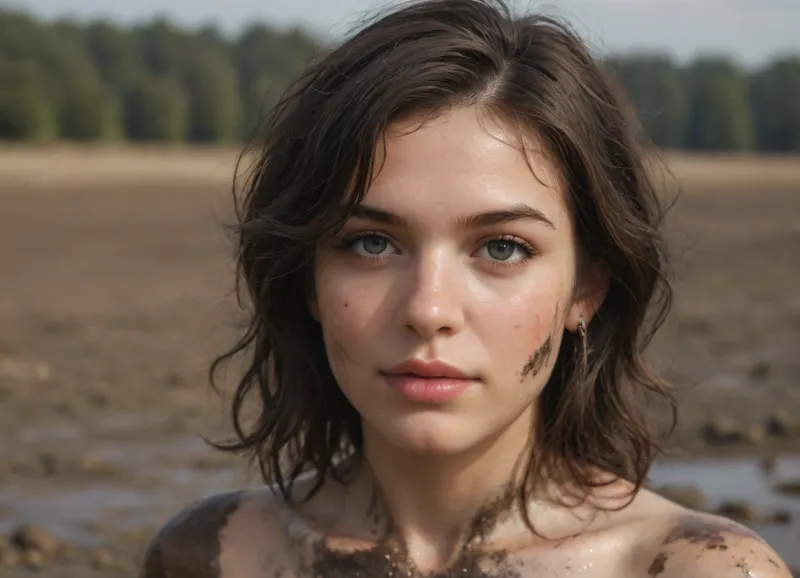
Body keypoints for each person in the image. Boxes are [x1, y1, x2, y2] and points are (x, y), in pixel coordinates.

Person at [140, 1, 792, 577]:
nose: (428, 310)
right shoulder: (213, 556)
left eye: (501, 248)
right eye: (372, 243)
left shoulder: (690, 569)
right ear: (306, 277)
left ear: (587, 287)